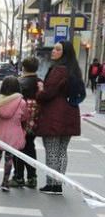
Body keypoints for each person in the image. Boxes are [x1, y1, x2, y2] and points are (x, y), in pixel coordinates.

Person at [35, 41, 82, 195]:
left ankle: (52, 184)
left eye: (57, 49)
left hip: (55, 113)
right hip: (70, 112)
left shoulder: (58, 70)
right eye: (54, 49)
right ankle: (58, 183)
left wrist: (41, 90)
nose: (53, 51)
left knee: (52, 150)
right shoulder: (74, 69)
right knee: (62, 150)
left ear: (64, 52)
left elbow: (48, 93)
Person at [0, 76, 29, 192]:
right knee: (9, 158)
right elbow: (25, 117)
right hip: (13, 133)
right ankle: (6, 183)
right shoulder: (21, 102)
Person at [9, 56, 41, 189]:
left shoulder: (19, 82)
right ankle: (32, 177)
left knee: (18, 148)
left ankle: (18, 176)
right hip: (35, 122)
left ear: (23, 67)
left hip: (20, 121)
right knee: (30, 147)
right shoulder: (40, 82)